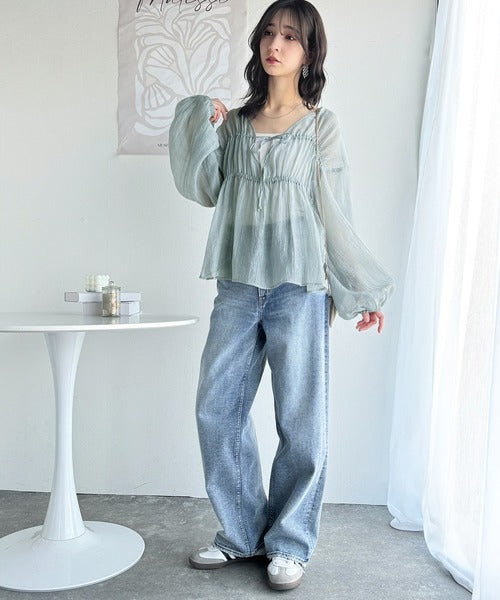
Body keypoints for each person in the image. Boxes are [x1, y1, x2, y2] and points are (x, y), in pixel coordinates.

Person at [169, 0, 395, 591]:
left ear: (309, 50)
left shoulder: (321, 126)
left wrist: (359, 289)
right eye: (269, 32)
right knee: (217, 408)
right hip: (238, 285)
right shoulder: (234, 125)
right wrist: (199, 122)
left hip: (300, 287)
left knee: (301, 420)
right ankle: (242, 533)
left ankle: (290, 544)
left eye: (291, 36)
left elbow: (335, 213)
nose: (276, 43)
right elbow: (204, 187)